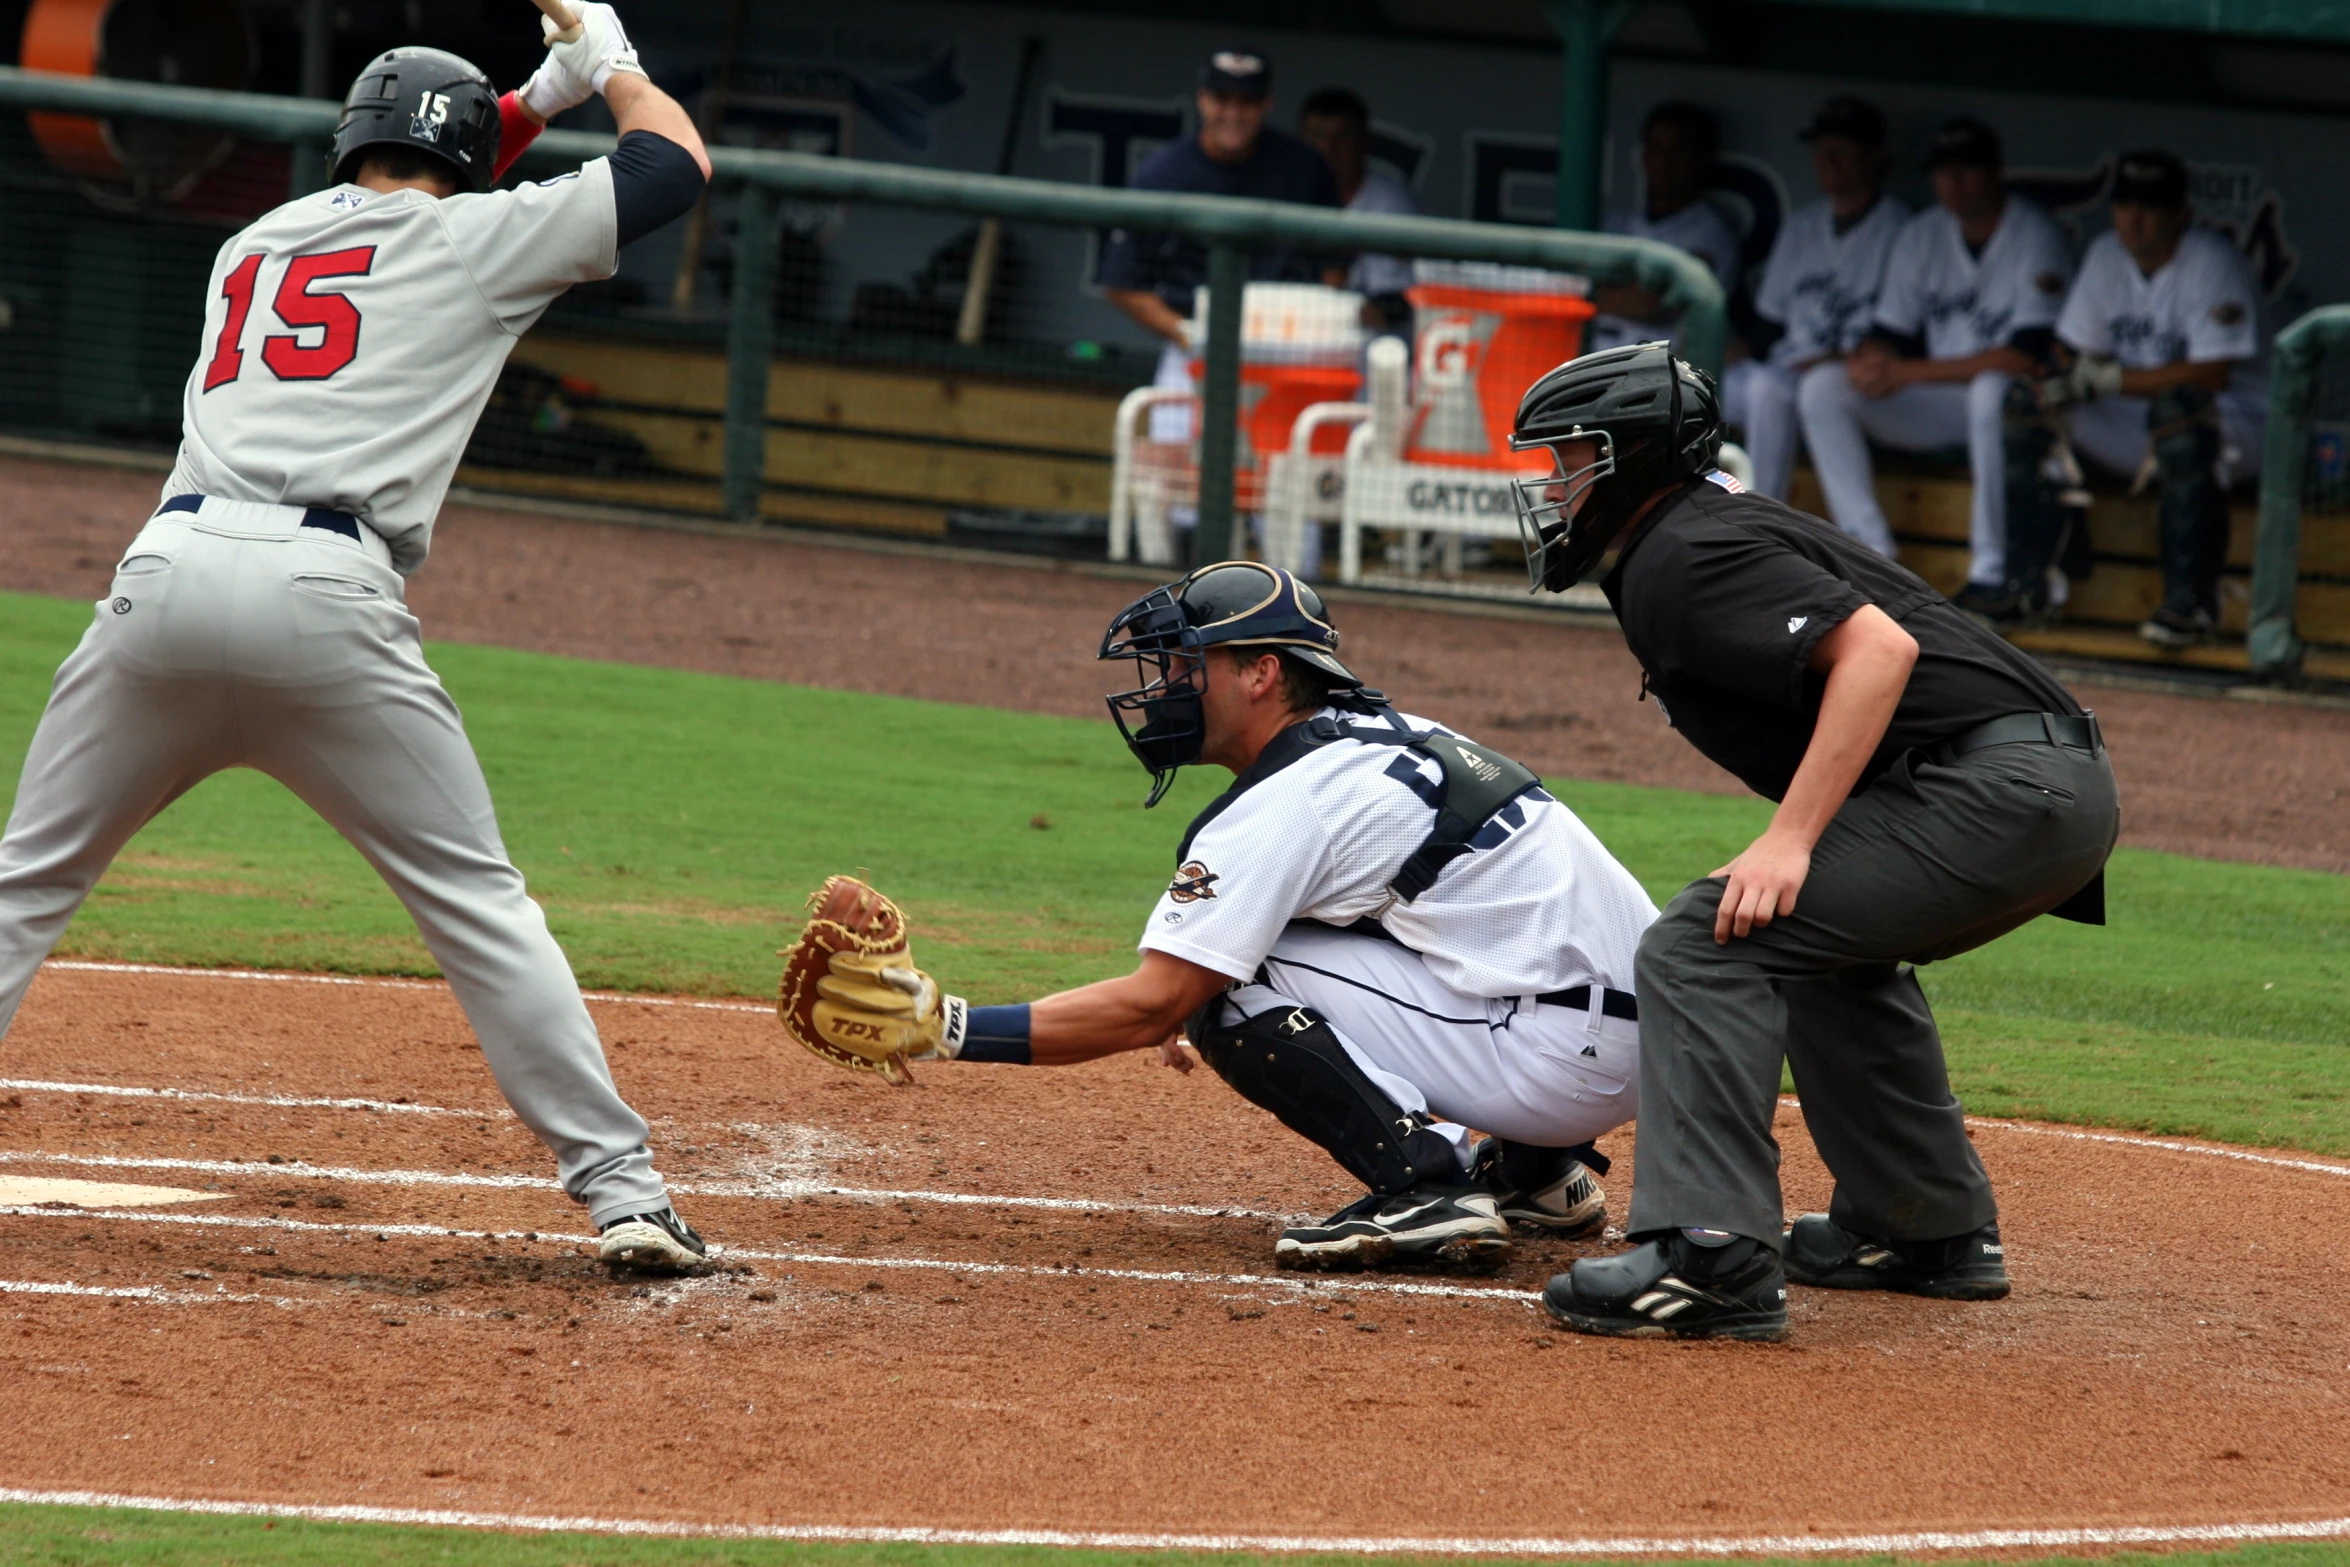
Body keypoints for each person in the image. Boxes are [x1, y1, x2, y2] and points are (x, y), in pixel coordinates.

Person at [0, 9, 715, 1272]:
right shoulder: (481, 239)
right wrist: (606, 63)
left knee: (26, 883)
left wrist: (530, 100)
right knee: (478, 907)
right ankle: (625, 1195)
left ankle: (626, 1190)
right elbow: (672, 168)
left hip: (162, 578)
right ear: (464, 155)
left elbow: (443, 162)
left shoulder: (253, 240)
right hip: (331, 603)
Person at [1505, 344, 2119, 1341]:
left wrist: (1788, 839)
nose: (1552, 487)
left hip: (2000, 786)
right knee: (1805, 937)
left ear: (1632, 460)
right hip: (2031, 783)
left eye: (1569, 458)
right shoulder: (1693, 535)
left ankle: (1706, 1255)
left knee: (1704, 940)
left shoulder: (1684, 549)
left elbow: (1880, 654)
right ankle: (1919, 1227)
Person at [804, 563, 1659, 1272]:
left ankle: (1427, 1186)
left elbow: (1154, 1003)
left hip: (1558, 1058)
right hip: (1635, 1039)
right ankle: (1537, 1175)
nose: (1166, 687)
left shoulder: (1287, 802)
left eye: (1186, 664)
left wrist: (944, 1027)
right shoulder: (1382, 736)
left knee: (1218, 987)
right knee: (1283, 947)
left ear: (1262, 672)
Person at [1797, 117, 2072, 594]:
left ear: (1995, 172)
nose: (1953, 183)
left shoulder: (2034, 234)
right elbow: (1889, 332)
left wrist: (1904, 371)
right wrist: (1870, 362)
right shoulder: (1924, 234)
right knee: (1824, 387)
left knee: (1990, 391)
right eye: (1944, 171)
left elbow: (2027, 356)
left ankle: (1991, 570)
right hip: (1941, 405)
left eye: (1966, 168)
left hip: (2013, 411)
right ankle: (1871, 558)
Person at [2007, 150, 2265, 648]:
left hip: (2239, 421)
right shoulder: (2107, 255)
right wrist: (2064, 376)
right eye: (2126, 205)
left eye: (2150, 206)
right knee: (2030, 406)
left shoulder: (2211, 260)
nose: (2135, 219)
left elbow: (2211, 374)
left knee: (2182, 416)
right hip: (2144, 420)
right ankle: (2030, 584)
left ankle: (2190, 603)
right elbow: (2074, 350)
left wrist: (2108, 380)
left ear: (2180, 215)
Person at [1098, 47, 1340, 511]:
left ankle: (1291, 582)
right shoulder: (1164, 172)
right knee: (1182, 498)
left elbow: (1334, 264)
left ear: (1266, 105)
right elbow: (1122, 282)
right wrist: (1188, 334)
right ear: (1202, 100)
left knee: (1288, 502)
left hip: (1286, 353)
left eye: (1246, 102)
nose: (1233, 113)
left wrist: (1314, 329)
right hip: (1192, 347)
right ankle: (1185, 580)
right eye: (1222, 99)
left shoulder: (1303, 167)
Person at [1720, 97, 1908, 501]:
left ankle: (1758, 516)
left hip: (1853, 376)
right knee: (1694, 385)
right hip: (1787, 367)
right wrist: (1740, 347)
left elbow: (1904, 333)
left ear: (1876, 157)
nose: (1829, 160)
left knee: (1778, 389)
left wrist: (1837, 360)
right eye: (1822, 149)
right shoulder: (1803, 225)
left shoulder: (1903, 228)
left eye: (1843, 149)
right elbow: (1767, 324)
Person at [1588, 102, 1742, 356]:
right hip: (1599, 347)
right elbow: (1575, 288)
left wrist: (1599, 294)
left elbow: (1651, 304)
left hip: (1661, 360)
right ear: (1644, 157)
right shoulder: (1618, 225)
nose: (1664, 161)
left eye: (1677, 150)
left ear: (1701, 160)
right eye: (1656, 149)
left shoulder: (1712, 233)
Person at [1297, 86, 1417, 336]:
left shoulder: (1389, 203)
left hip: (1371, 352)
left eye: (1342, 137)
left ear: (1364, 143)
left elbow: (1397, 305)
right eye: (1317, 136)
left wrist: (1336, 306)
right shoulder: (1288, 191)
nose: (1328, 149)